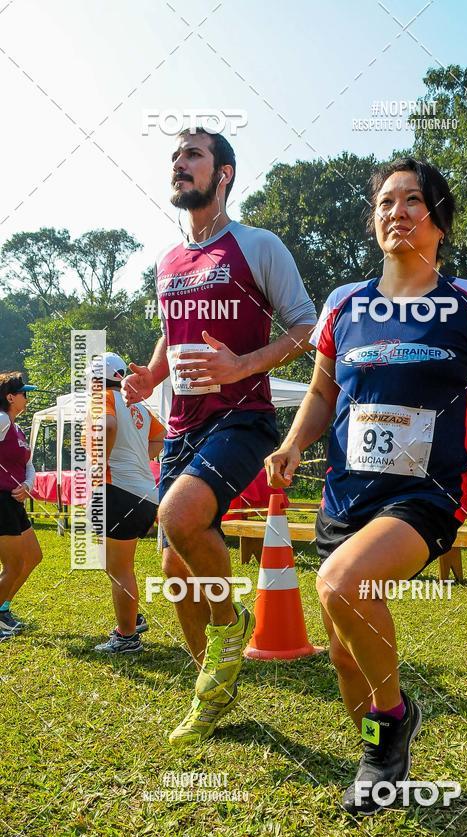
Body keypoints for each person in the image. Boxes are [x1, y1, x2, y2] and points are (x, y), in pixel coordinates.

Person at [265, 157, 467, 816]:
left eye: (412, 202)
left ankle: (393, 725)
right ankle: (382, 762)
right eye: (385, 203)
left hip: (425, 494)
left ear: (439, 221)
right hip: (346, 495)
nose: (396, 212)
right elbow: (321, 394)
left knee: (343, 583)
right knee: (345, 660)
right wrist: (290, 446)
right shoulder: (345, 303)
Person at [121, 127, 316, 744]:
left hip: (243, 418)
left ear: (223, 174)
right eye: (175, 157)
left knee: (179, 517)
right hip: (182, 423)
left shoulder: (258, 246)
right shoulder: (168, 262)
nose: (179, 165)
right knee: (173, 563)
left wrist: (241, 365)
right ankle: (211, 685)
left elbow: (305, 329)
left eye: (193, 156)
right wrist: (153, 372)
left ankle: (231, 631)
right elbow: (172, 332)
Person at [85, 353, 166, 654]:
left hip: (115, 489)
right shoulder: (138, 407)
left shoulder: (101, 397)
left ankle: (127, 637)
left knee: (117, 569)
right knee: (119, 567)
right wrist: (137, 461)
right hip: (144, 492)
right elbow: (161, 438)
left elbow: (105, 426)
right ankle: (132, 619)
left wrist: (101, 463)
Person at [0, 373, 43, 639]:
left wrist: (27, 485)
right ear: (10, 397)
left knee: (34, 557)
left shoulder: (17, 428)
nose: (27, 397)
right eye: (23, 393)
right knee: (14, 565)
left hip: (14, 501)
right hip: (1, 500)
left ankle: (3, 609)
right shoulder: (2, 419)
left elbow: (29, 465)